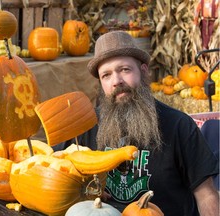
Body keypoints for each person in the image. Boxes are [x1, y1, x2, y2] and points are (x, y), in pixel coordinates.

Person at [54, 31, 219, 215]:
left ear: (143, 70)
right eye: (106, 75)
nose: (116, 81)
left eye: (125, 69)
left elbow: (206, 196)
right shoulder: (86, 126)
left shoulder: (179, 125)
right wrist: (83, 190)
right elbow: (54, 174)